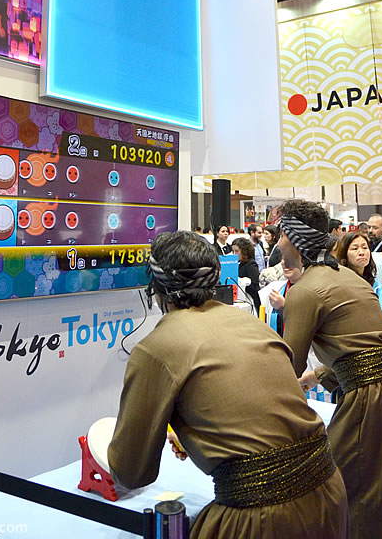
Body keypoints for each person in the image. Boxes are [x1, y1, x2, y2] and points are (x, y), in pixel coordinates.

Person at [108, 231, 349, 539]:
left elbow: (131, 472)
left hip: (262, 516)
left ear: (156, 288)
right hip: (329, 492)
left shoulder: (156, 348)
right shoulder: (254, 325)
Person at [278, 199, 382, 539]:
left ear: (293, 238)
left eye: (281, 235)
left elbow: (285, 370)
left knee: (350, 500)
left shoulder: (305, 291)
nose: (278, 243)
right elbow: (368, 350)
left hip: (372, 403)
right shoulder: (350, 278)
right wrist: (319, 375)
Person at [334, 231, 382, 322]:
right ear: (344, 254)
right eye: (355, 248)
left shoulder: (374, 283)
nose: (361, 252)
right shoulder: (339, 283)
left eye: (365, 248)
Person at [231, 236, 260, 315]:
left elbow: (255, 286)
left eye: (237, 251)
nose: (234, 254)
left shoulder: (251, 264)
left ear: (244, 251)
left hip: (250, 300)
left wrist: (243, 283)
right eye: (233, 251)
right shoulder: (239, 263)